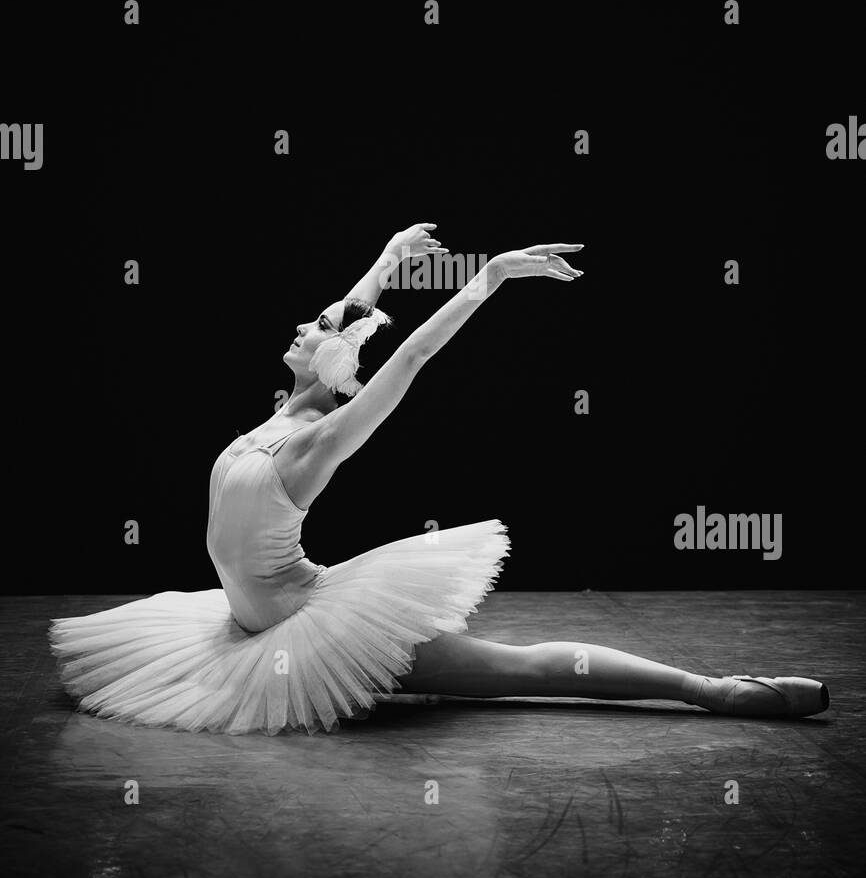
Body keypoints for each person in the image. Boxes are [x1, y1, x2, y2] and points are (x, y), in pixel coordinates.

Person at [50, 223, 829, 734]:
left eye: (313, 330)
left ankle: (716, 690)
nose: (302, 326)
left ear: (332, 364)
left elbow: (409, 354)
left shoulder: (316, 442)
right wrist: (388, 262)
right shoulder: (284, 411)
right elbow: (348, 315)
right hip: (242, 622)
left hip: (311, 627)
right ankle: (713, 689)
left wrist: (487, 277)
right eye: (313, 323)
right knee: (490, 673)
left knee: (515, 671)